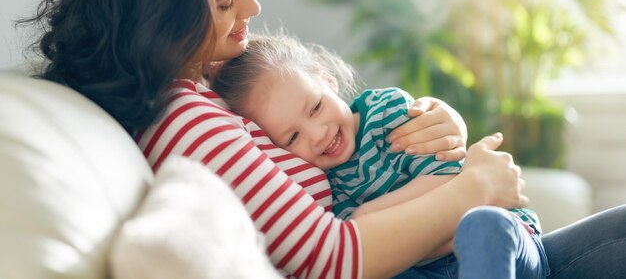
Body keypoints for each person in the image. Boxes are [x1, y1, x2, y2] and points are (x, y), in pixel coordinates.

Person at [19, 0, 626, 279]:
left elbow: (362, 120)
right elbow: (332, 256)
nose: (253, 11)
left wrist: (442, 123)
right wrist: (473, 190)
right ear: (167, 14)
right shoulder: (184, 118)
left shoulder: (211, 77)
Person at [210, 31, 548, 278]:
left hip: (506, 251)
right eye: (292, 137)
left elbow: (448, 179)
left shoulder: (386, 112)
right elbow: (366, 257)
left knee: (481, 224)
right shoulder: (317, 183)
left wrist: (363, 217)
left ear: (328, 82)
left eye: (315, 107)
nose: (318, 134)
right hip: (428, 269)